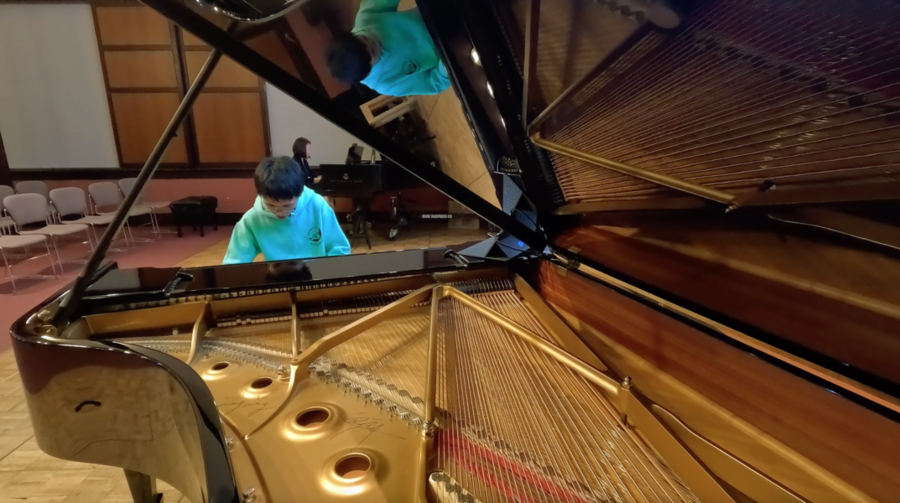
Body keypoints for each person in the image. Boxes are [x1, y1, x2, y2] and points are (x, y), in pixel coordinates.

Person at [223, 156, 351, 264]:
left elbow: (339, 249)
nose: (279, 212)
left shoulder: (317, 206)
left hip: (317, 276)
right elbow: (234, 261)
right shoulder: (252, 219)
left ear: (299, 193)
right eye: (271, 205)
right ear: (261, 195)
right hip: (278, 278)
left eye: (287, 206)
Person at [326, 0, 450, 97]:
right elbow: (432, 83)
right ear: (368, 71)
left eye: (364, 38)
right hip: (448, 50)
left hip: (436, 11)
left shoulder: (366, 18)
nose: (373, 41)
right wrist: (449, 58)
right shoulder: (385, 83)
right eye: (373, 52)